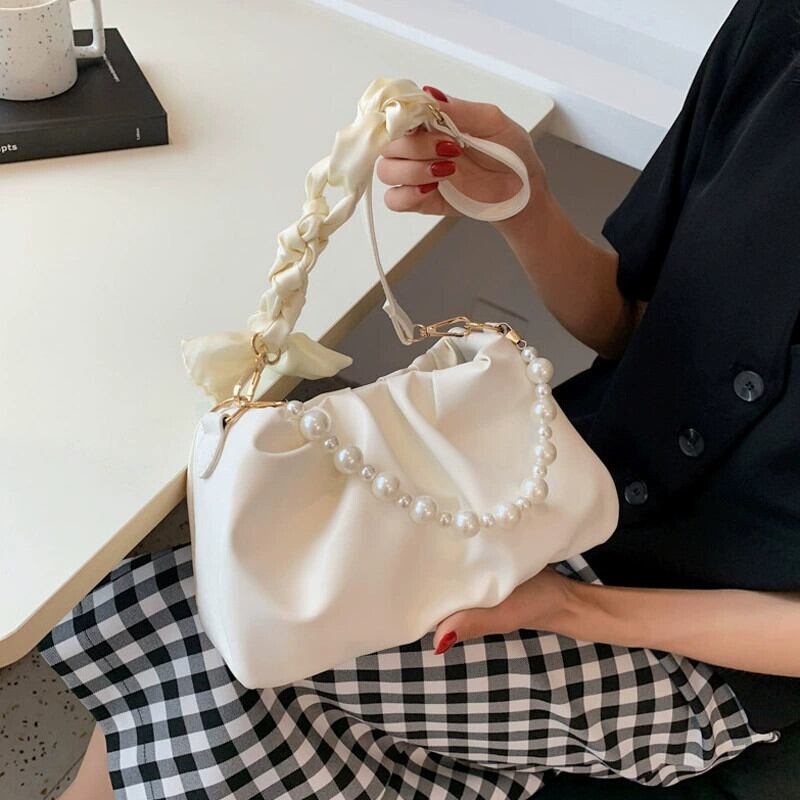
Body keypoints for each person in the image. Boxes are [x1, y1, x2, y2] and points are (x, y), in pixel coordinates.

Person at [39, 0, 800, 797]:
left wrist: (571, 608)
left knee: (227, 651)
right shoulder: (775, 34)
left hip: (705, 659)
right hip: (545, 493)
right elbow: (631, 329)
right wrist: (523, 207)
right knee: (201, 616)